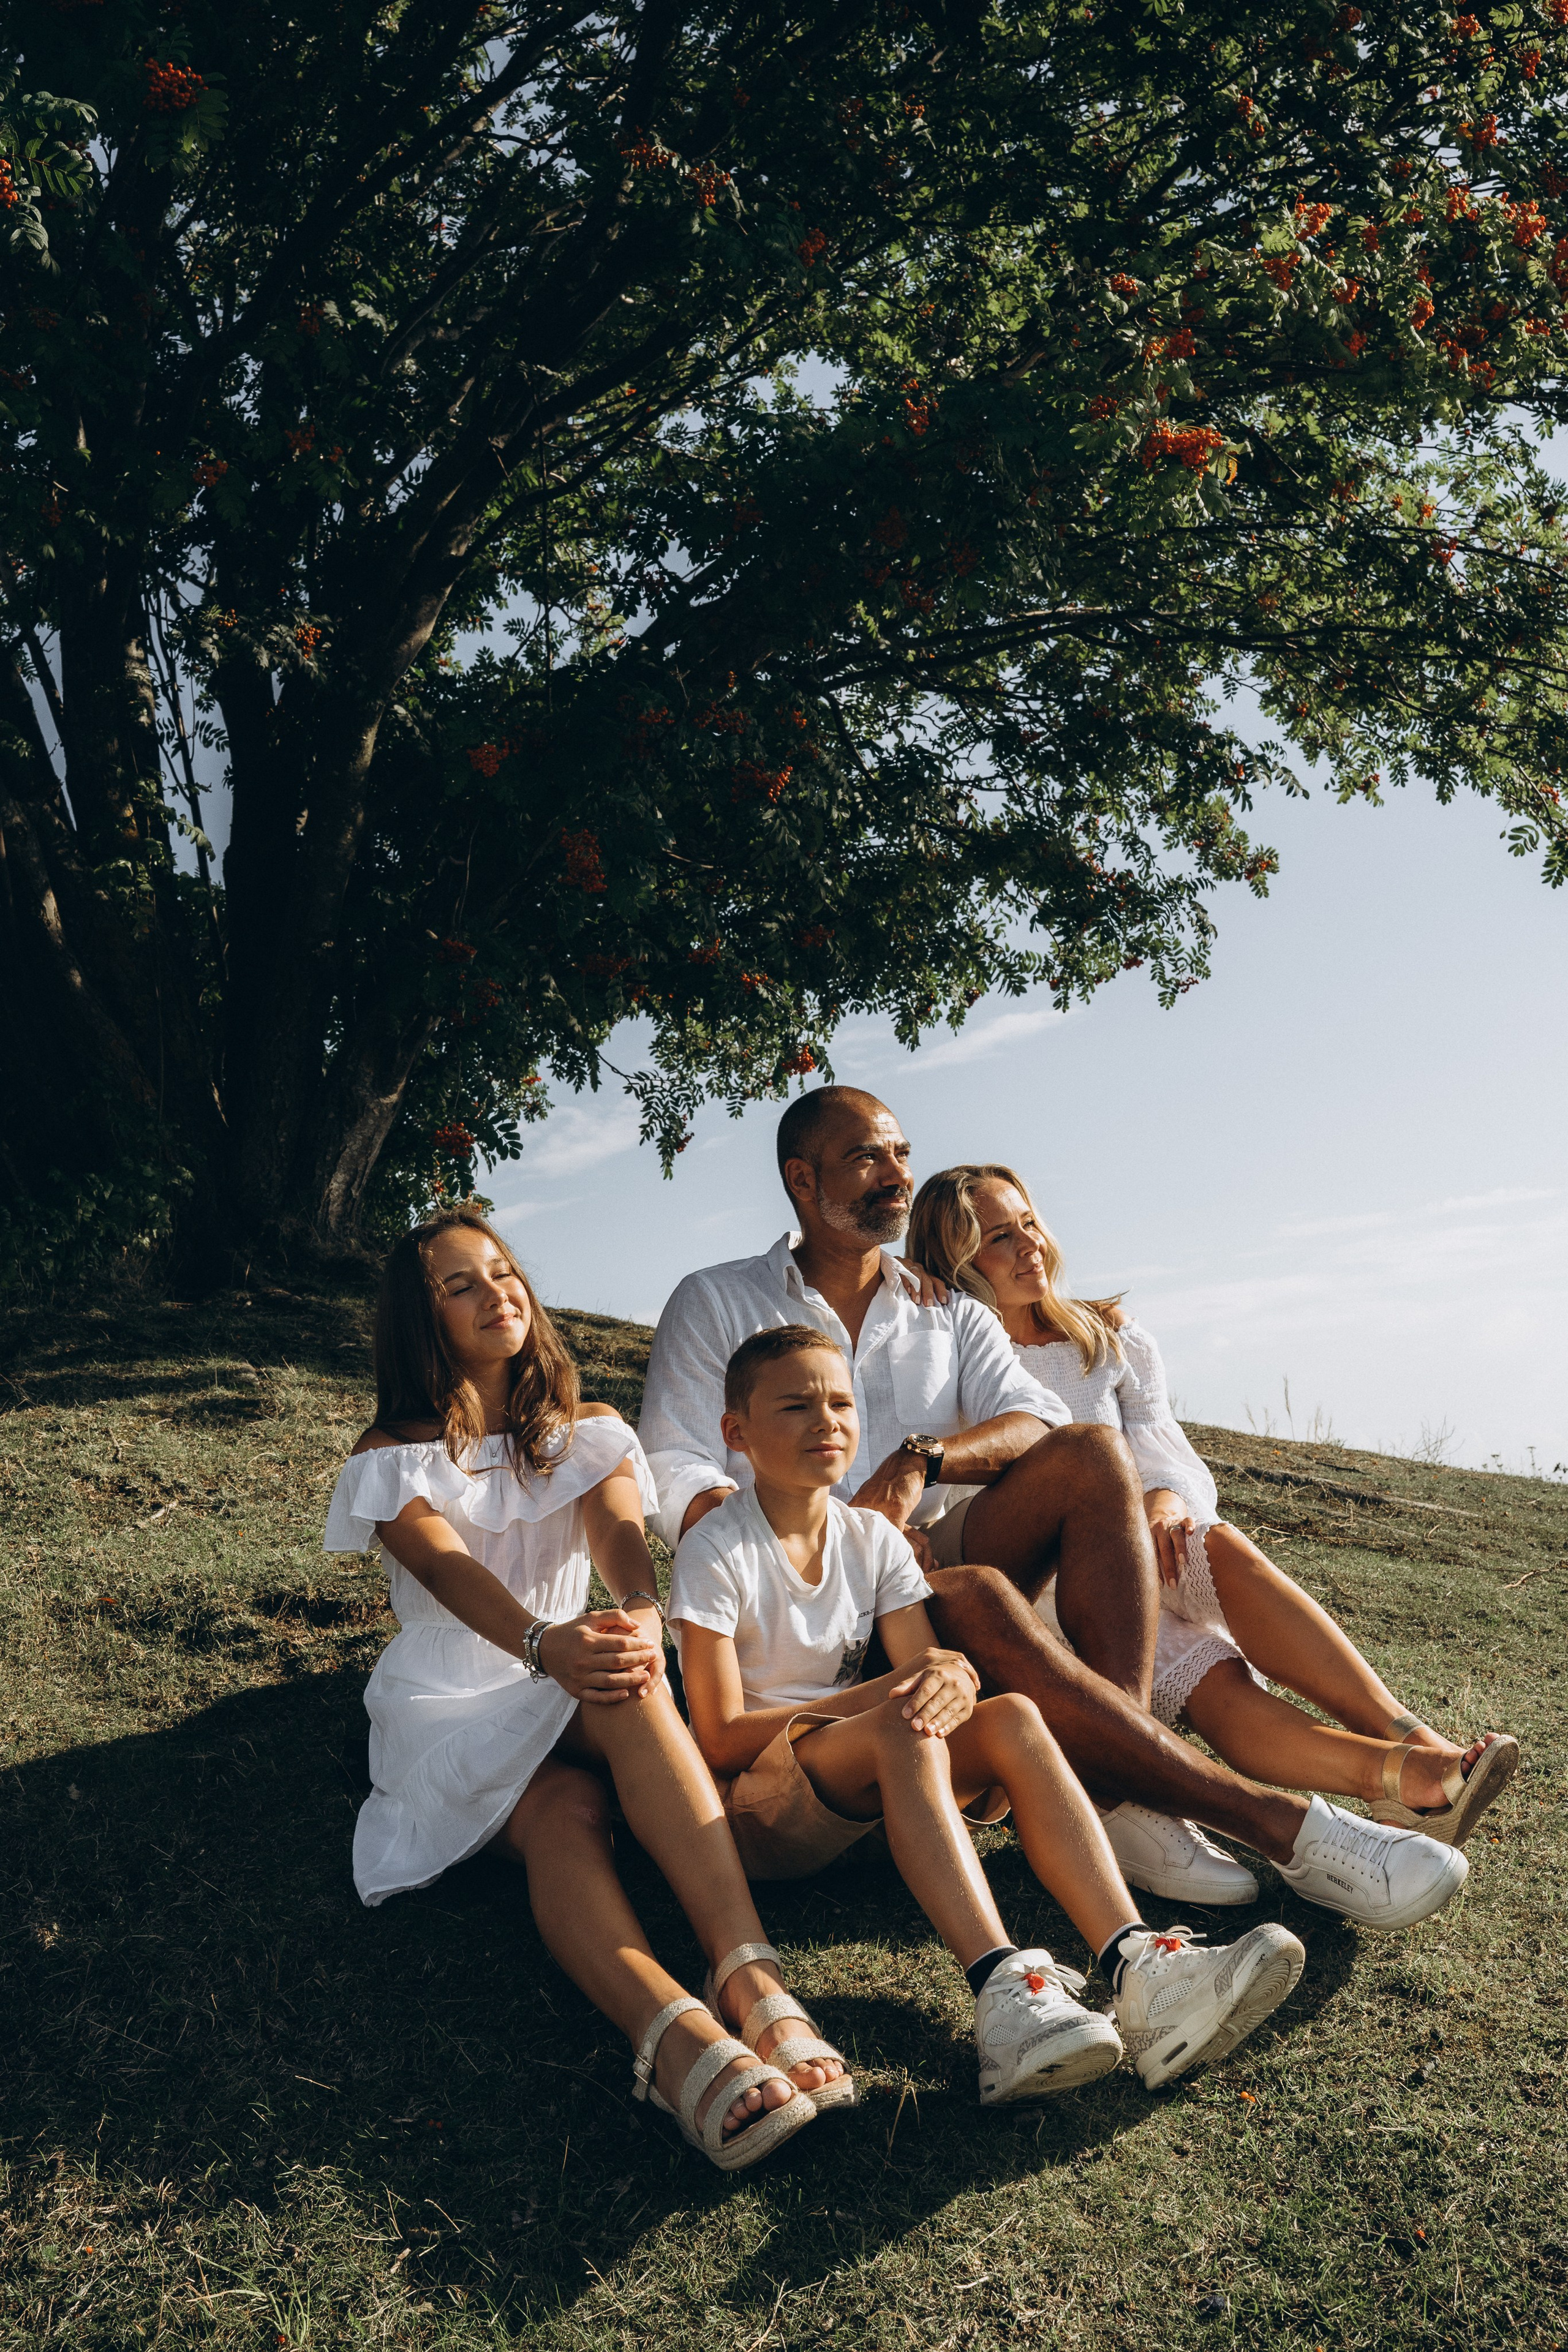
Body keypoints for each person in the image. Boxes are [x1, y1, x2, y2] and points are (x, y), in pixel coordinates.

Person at [641, 1085, 1471, 1930]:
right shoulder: (716, 1300)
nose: (894, 1173)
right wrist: (824, 1540)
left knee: (1090, 1453)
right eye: (866, 1158)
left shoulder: (947, 1308)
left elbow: (1031, 1419)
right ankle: (1284, 1827)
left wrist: (921, 1460)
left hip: (926, 1558)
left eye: (900, 1153)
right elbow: (673, 1461)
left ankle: (1122, 1793)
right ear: (802, 1181)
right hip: (798, 1596)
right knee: (976, 1596)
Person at [323, 1204, 852, 2174]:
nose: (497, 1293)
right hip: (450, 1693)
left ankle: (752, 1981)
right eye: (460, 1284)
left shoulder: (592, 1430)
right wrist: (540, 1640)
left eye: (502, 1271)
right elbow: (446, 1570)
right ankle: (676, 2041)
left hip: (580, 1673)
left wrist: (642, 1609)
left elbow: (620, 1542)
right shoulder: (387, 1454)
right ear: (420, 1318)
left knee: (625, 1667)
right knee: (561, 1810)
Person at [669, 1326, 1306, 2101]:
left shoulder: (872, 1537)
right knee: (904, 1716)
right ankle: (1002, 1991)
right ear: (737, 1433)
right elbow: (717, 1737)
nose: (825, 1421)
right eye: (796, 1405)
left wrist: (958, 1680)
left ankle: (1141, 1966)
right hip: (766, 1813)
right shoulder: (717, 1549)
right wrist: (907, 1689)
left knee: (1011, 1717)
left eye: (839, 1403)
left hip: (880, 1794)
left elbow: (927, 1673)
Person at [904, 1164, 1519, 1856]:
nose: (1029, 1247)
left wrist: (1166, 1503)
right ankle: (1407, 1782)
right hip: (1057, 1583)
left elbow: (1165, 1453)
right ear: (955, 1263)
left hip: (1145, 1540)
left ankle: (1410, 1736)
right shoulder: (949, 1346)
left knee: (1216, 1544)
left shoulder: (1106, 1336)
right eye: (997, 1239)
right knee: (1212, 1678)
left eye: (1029, 1225)